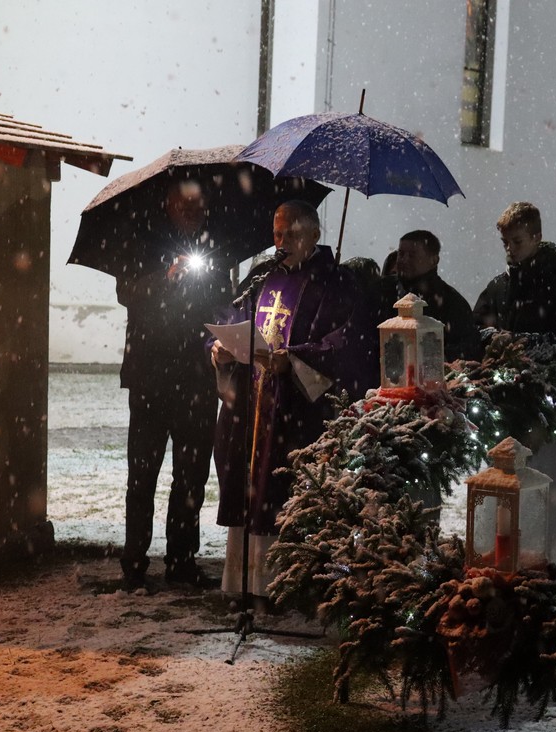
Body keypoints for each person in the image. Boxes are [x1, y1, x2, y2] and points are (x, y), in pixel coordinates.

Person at [210, 200, 378, 603]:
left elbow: (348, 343)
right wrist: (219, 348)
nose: (282, 242)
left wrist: (297, 357)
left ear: (315, 235)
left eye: (292, 234)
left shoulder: (337, 283)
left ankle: (290, 586)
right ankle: (246, 583)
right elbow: (230, 320)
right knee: (250, 486)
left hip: (298, 411)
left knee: (284, 491)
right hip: (252, 403)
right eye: (277, 233)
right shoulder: (261, 275)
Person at [118, 179, 233, 591]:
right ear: (168, 205)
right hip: (150, 377)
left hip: (196, 379)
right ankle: (134, 561)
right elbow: (127, 292)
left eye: (198, 206)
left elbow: (224, 303)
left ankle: (181, 560)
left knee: (191, 475)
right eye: (186, 205)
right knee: (142, 472)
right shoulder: (141, 239)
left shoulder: (214, 249)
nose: (194, 212)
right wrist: (165, 278)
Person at [474, 202, 556, 559]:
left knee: (547, 486)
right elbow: (475, 328)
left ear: (537, 237)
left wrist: (521, 343)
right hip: (507, 406)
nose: (510, 249)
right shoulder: (499, 286)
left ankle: (551, 556)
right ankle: (504, 553)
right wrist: (491, 338)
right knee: (508, 490)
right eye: (506, 242)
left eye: (517, 241)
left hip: (547, 408)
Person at [381, 230, 482, 362]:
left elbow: (468, 348)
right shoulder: (381, 291)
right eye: (401, 254)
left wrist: (432, 360)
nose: (404, 260)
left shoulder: (452, 303)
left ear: (433, 260)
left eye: (412, 255)